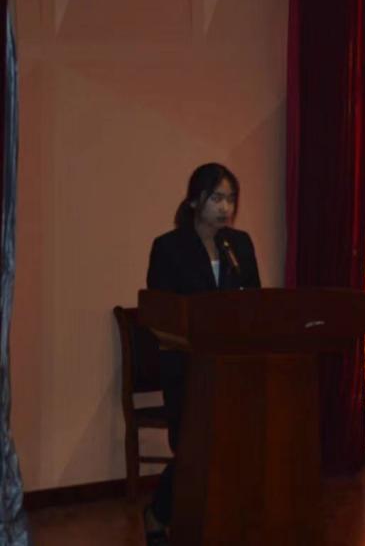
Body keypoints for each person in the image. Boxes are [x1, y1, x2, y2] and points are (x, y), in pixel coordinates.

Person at [142, 163, 261, 544]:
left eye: (231, 199)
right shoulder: (169, 247)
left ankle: (217, 521)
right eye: (217, 198)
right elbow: (161, 311)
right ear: (195, 201)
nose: (226, 207)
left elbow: (255, 302)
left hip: (230, 365)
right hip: (186, 367)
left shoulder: (239, 244)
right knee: (192, 449)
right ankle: (159, 514)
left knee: (228, 445)